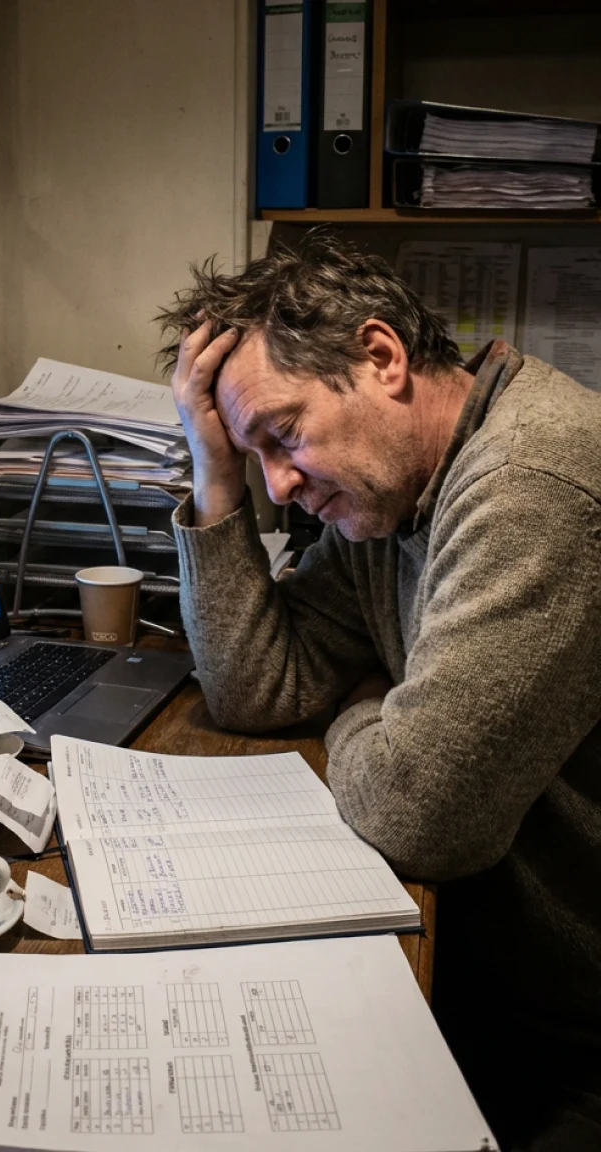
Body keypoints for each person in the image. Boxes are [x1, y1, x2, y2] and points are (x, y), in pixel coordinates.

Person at [157, 231, 601, 1152]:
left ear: (382, 358)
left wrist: (364, 701)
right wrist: (215, 474)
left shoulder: (530, 482)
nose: (281, 485)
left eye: (282, 437)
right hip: (495, 978)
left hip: (577, 1039)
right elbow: (255, 686)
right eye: (257, 458)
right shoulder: (392, 501)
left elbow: (420, 812)